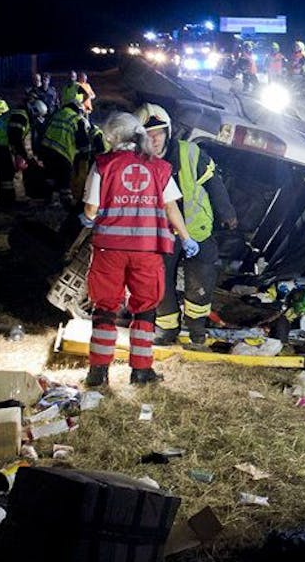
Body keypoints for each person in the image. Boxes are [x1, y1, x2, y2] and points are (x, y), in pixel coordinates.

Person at [79, 112, 199, 388]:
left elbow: (91, 209)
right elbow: (171, 207)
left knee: (105, 308)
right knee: (145, 310)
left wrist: (87, 218)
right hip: (147, 251)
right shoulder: (158, 167)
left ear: (112, 137)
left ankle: (98, 372)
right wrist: (186, 237)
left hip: (109, 250)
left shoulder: (104, 165)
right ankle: (141, 372)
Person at [141, 104, 237, 346]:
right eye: (148, 134)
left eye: (159, 133)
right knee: (161, 282)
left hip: (196, 230)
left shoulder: (190, 153)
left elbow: (213, 183)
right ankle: (167, 329)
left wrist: (227, 213)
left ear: (168, 132)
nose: (154, 139)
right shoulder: (138, 161)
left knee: (200, 281)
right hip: (161, 234)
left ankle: (196, 328)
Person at [36, 84, 94, 208]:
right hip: (62, 153)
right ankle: (66, 204)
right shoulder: (77, 119)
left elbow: (43, 130)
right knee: (64, 179)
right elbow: (83, 143)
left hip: (46, 149)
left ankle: (47, 199)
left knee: (50, 176)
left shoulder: (57, 114)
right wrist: (86, 158)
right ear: (78, 109)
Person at [0, 95, 31, 207]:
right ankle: (8, 201)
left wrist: (19, 153)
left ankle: (3, 199)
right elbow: (16, 138)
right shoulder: (21, 116)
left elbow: (15, 138)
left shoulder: (17, 112)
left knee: (3, 171)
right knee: (6, 172)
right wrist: (25, 156)